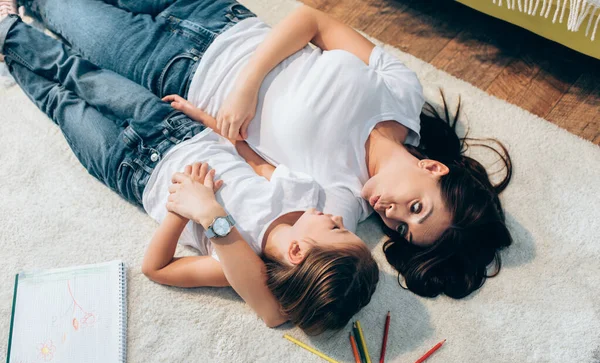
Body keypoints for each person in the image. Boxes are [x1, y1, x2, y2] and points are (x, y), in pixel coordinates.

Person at [5, 0, 513, 299]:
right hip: (220, 18)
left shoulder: (342, 205)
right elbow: (312, 20)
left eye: (402, 229)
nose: (393, 214)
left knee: (60, 7)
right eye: (417, 208)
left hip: (175, 72)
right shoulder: (403, 94)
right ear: (433, 166)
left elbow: (280, 270)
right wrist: (248, 86)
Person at [0, 13, 379, 334]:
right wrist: (206, 119)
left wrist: (183, 212)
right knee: (82, 75)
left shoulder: (237, 267)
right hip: (176, 128)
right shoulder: (304, 195)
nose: (337, 216)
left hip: (131, 168)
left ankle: (7, 36)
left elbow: (157, 268)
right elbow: (252, 159)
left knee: (60, 102)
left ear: (297, 251)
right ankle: (12, 30)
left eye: (337, 229)